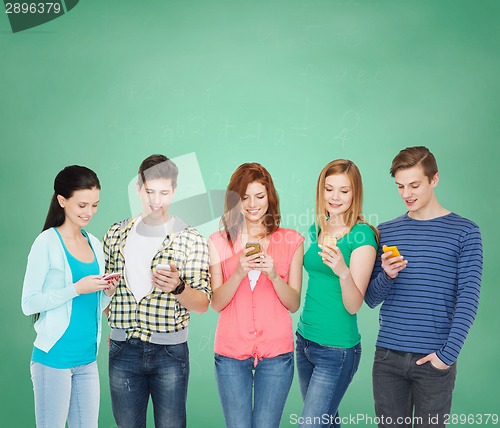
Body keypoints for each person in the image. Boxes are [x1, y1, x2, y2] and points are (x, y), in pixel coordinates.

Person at [365, 146, 482, 428]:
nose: (407, 194)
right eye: (400, 186)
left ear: (434, 179)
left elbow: (468, 298)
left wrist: (446, 356)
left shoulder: (465, 232)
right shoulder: (387, 231)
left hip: (434, 360)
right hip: (387, 359)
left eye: (415, 185)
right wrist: (387, 276)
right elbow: (370, 298)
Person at [104, 154, 211, 428]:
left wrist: (178, 287)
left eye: (164, 193)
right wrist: (110, 311)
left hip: (169, 353)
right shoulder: (116, 234)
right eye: (150, 191)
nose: (156, 200)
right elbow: (103, 293)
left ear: (174, 191)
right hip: (122, 349)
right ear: (138, 187)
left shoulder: (190, 239)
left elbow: (202, 304)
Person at [209, 163, 304, 428]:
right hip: (230, 352)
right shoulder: (218, 242)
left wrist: (274, 275)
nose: (252, 204)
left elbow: (293, 303)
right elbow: (217, 303)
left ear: (269, 198)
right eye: (244, 197)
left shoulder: (292, 241)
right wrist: (238, 272)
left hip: (276, 354)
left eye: (259, 196)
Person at [21, 165, 117, 428]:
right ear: (62, 201)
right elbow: (28, 303)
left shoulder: (95, 244)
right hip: (54, 360)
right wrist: (75, 288)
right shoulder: (46, 243)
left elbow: (91, 305)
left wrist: (107, 292)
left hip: (86, 359)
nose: (89, 212)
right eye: (82, 205)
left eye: (95, 205)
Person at [295, 159, 378, 428]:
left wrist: (343, 270)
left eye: (344, 190)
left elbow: (354, 305)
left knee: (311, 424)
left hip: (337, 349)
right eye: (329, 189)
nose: (335, 197)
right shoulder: (316, 229)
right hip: (304, 341)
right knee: (326, 422)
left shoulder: (361, 236)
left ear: (355, 193)